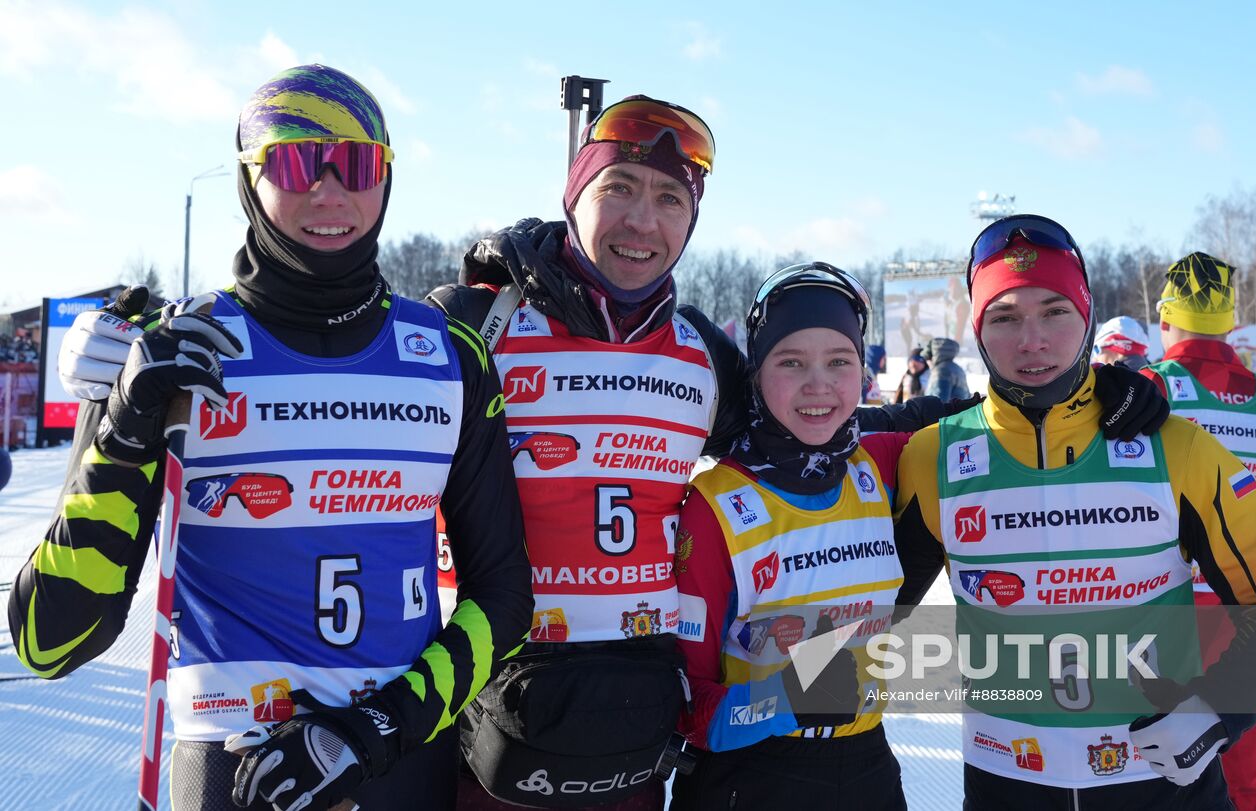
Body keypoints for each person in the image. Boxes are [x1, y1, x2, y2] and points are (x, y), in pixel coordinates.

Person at [54, 95, 1168, 810]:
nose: (642, 220)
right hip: (482, 707)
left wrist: (1068, 392)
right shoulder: (475, 322)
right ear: (573, 197)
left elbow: (816, 430)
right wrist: (120, 406)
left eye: (669, 199)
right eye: (618, 191)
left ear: (692, 223)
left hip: (638, 720)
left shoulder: (706, 355)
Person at [9, 64, 532, 811]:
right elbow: (49, 639)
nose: (329, 191)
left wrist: (375, 726)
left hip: (395, 758)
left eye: (355, 164)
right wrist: (122, 433)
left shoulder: (449, 355)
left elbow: (505, 598)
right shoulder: (176, 351)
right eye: (293, 162)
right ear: (250, 180)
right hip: (232, 766)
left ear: (386, 179)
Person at [893, 215, 1256, 809]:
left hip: (1159, 784)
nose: (1031, 339)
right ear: (977, 329)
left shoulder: (1178, 448)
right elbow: (872, 608)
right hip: (1006, 782)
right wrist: (770, 683)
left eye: (1055, 311)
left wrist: (1216, 711)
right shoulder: (931, 457)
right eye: (1005, 316)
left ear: (1087, 315)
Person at [671, 263, 909, 809]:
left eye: (839, 361)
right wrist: (782, 699)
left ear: (863, 371)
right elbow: (686, 704)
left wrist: (1118, 387)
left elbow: (990, 418)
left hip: (868, 765)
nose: (818, 384)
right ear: (756, 373)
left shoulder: (881, 462)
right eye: (791, 361)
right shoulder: (715, 505)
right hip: (754, 774)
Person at [1143, 251, 1256, 811]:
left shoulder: (1144, 393)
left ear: (1164, 318)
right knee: (1240, 786)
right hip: (1251, 622)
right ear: (1233, 325)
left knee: (1142, 779)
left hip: (1154, 623)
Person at [923, 337, 970, 402]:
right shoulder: (957, 369)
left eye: (927, 358)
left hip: (949, 412)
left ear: (934, 356)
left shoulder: (941, 371)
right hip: (959, 411)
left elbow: (939, 402)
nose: (927, 362)